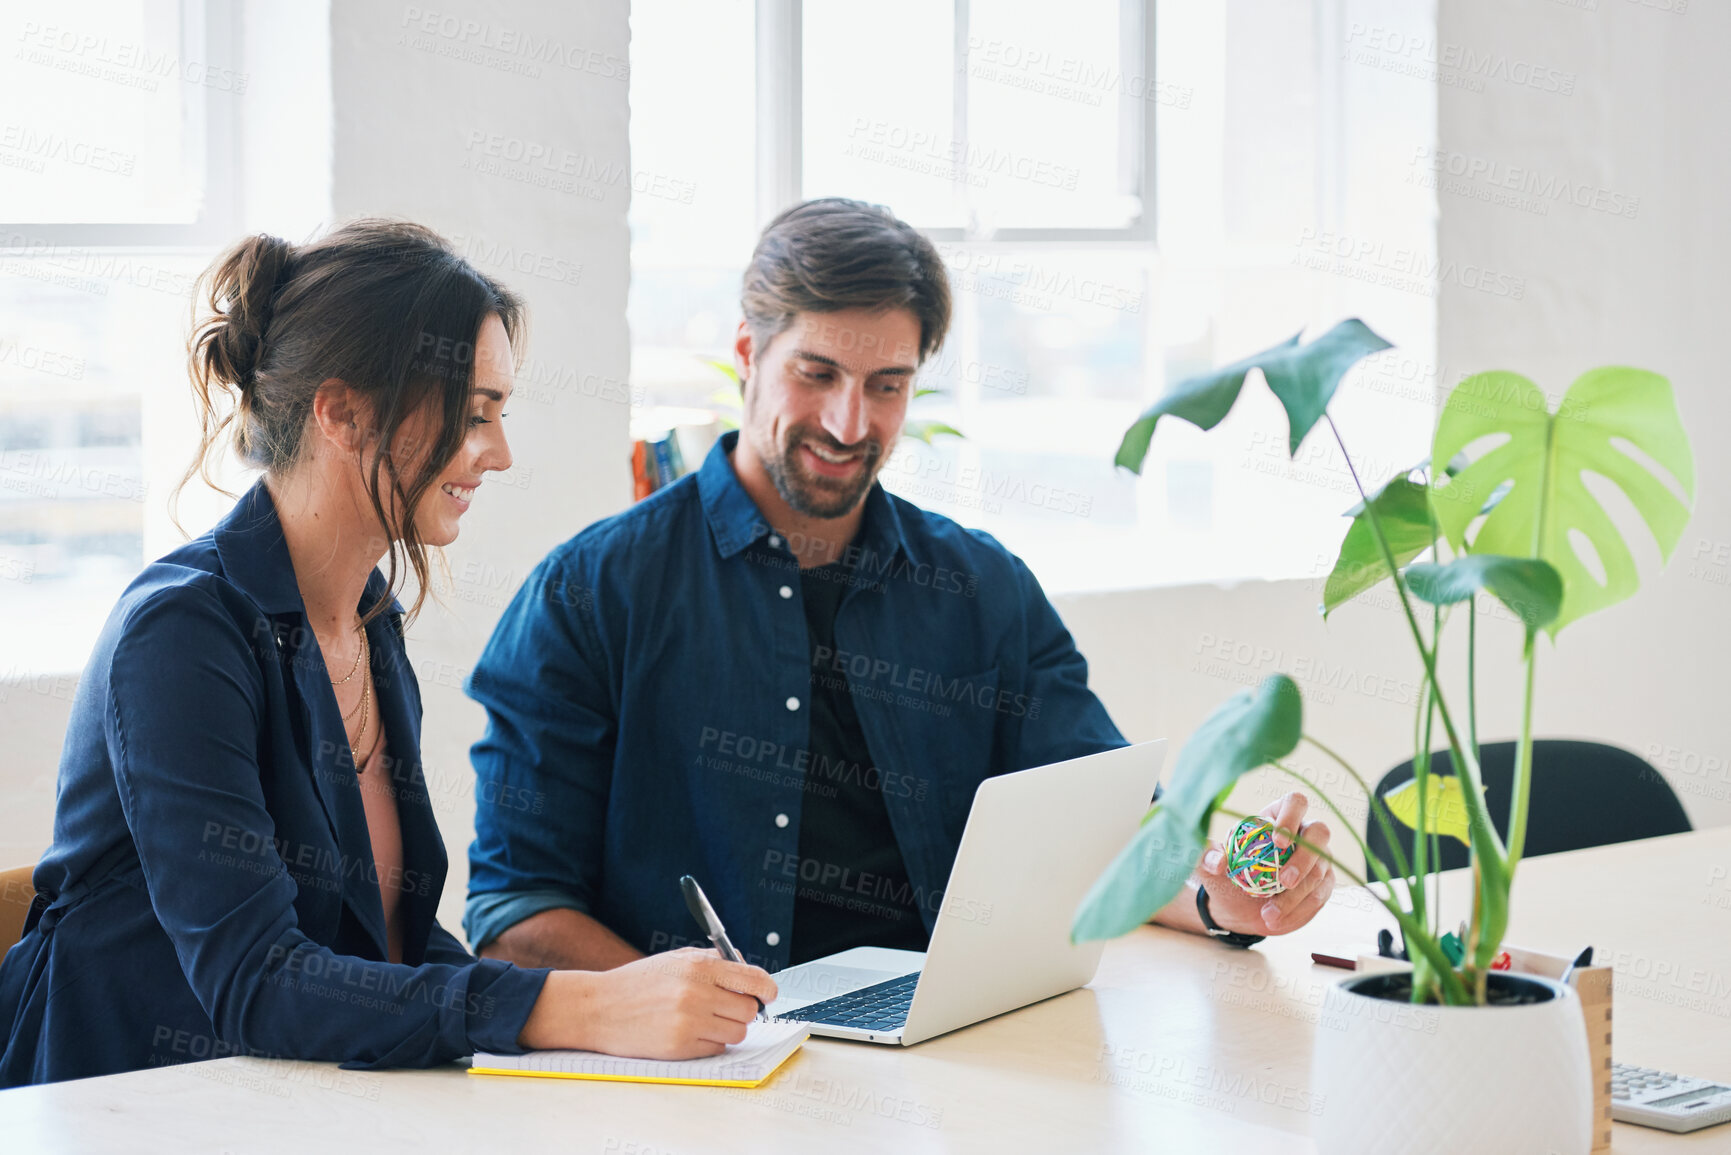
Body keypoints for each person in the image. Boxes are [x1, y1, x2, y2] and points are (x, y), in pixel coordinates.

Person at [464, 198, 1337, 975]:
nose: (850, 423)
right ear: (747, 355)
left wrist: (1230, 900)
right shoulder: (589, 593)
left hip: (943, 1055)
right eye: (818, 375)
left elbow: (1107, 839)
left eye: (888, 385)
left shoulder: (981, 588)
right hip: (704, 1081)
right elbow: (512, 916)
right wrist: (678, 1012)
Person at [0, 220, 775, 1088]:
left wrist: (611, 1009)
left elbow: (397, 950)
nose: (500, 453)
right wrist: (581, 1006)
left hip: (295, 1102)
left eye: (500, 413)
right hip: (122, 1104)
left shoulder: (370, 618)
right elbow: (256, 983)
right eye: (473, 412)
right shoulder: (180, 636)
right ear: (339, 410)